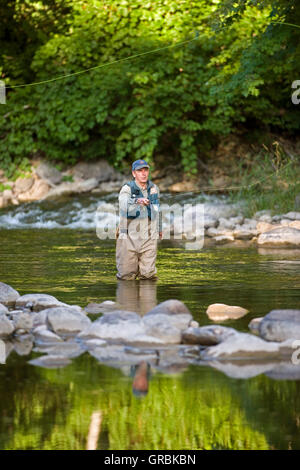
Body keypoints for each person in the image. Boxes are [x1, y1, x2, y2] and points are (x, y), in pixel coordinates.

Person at [116, 159, 162, 280]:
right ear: (133, 173)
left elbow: (157, 209)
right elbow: (123, 204)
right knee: (126, 276)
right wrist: (137, 200)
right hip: (128, 237)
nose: (143, 173)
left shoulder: (154, 188)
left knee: (148, 275)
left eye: (145, 170)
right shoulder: (127, 189)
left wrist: (159, 228)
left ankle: (147, 298)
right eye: (139, 171)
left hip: (149, 236)